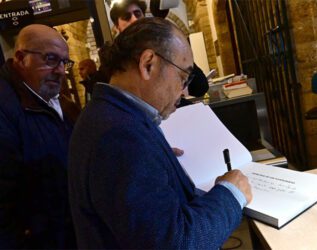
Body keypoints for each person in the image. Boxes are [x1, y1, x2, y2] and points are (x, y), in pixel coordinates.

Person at [69, 17, 252, 249]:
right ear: (148, 64)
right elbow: (175, 243)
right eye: (182, 77)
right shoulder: (120, 136)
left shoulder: (111, 115)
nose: (184, 91)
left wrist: (157, 161)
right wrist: (230, 194)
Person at [0, 24, 77, 248]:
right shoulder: (6, 108)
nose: (61, 70)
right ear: (21, 58)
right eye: (51, 59)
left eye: (64, 62)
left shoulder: (58, 101)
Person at [109, 0, 209, 100]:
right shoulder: (115, 59)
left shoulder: (161, 45)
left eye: (137, 14)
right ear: (117, 26)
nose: (134, 19)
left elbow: (200, 87)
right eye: (127, 17)